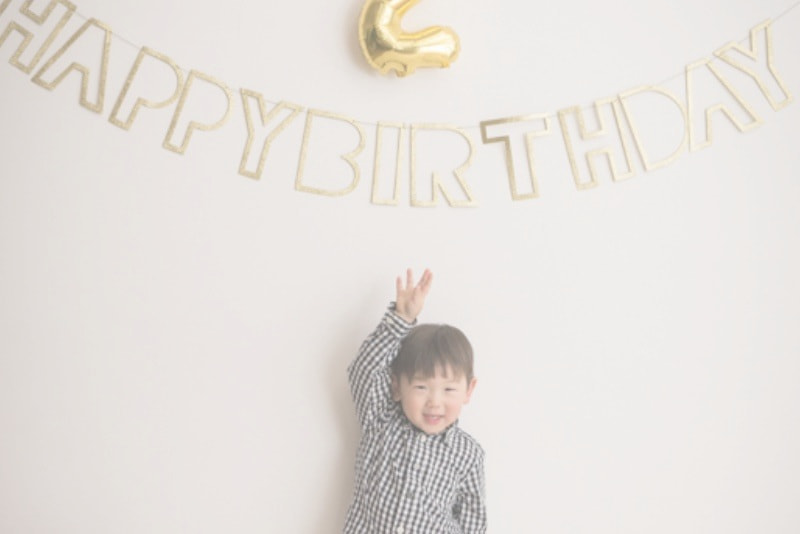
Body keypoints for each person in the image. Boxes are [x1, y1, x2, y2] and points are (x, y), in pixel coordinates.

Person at [344, 269, 487, 533]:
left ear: (469, 390)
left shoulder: (468, 454)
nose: (435, 402)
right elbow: (364, 370)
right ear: (397, 386)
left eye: (449, 389)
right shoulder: (381, 421)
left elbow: (473, 524)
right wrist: (401, 319)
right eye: (421, 387)